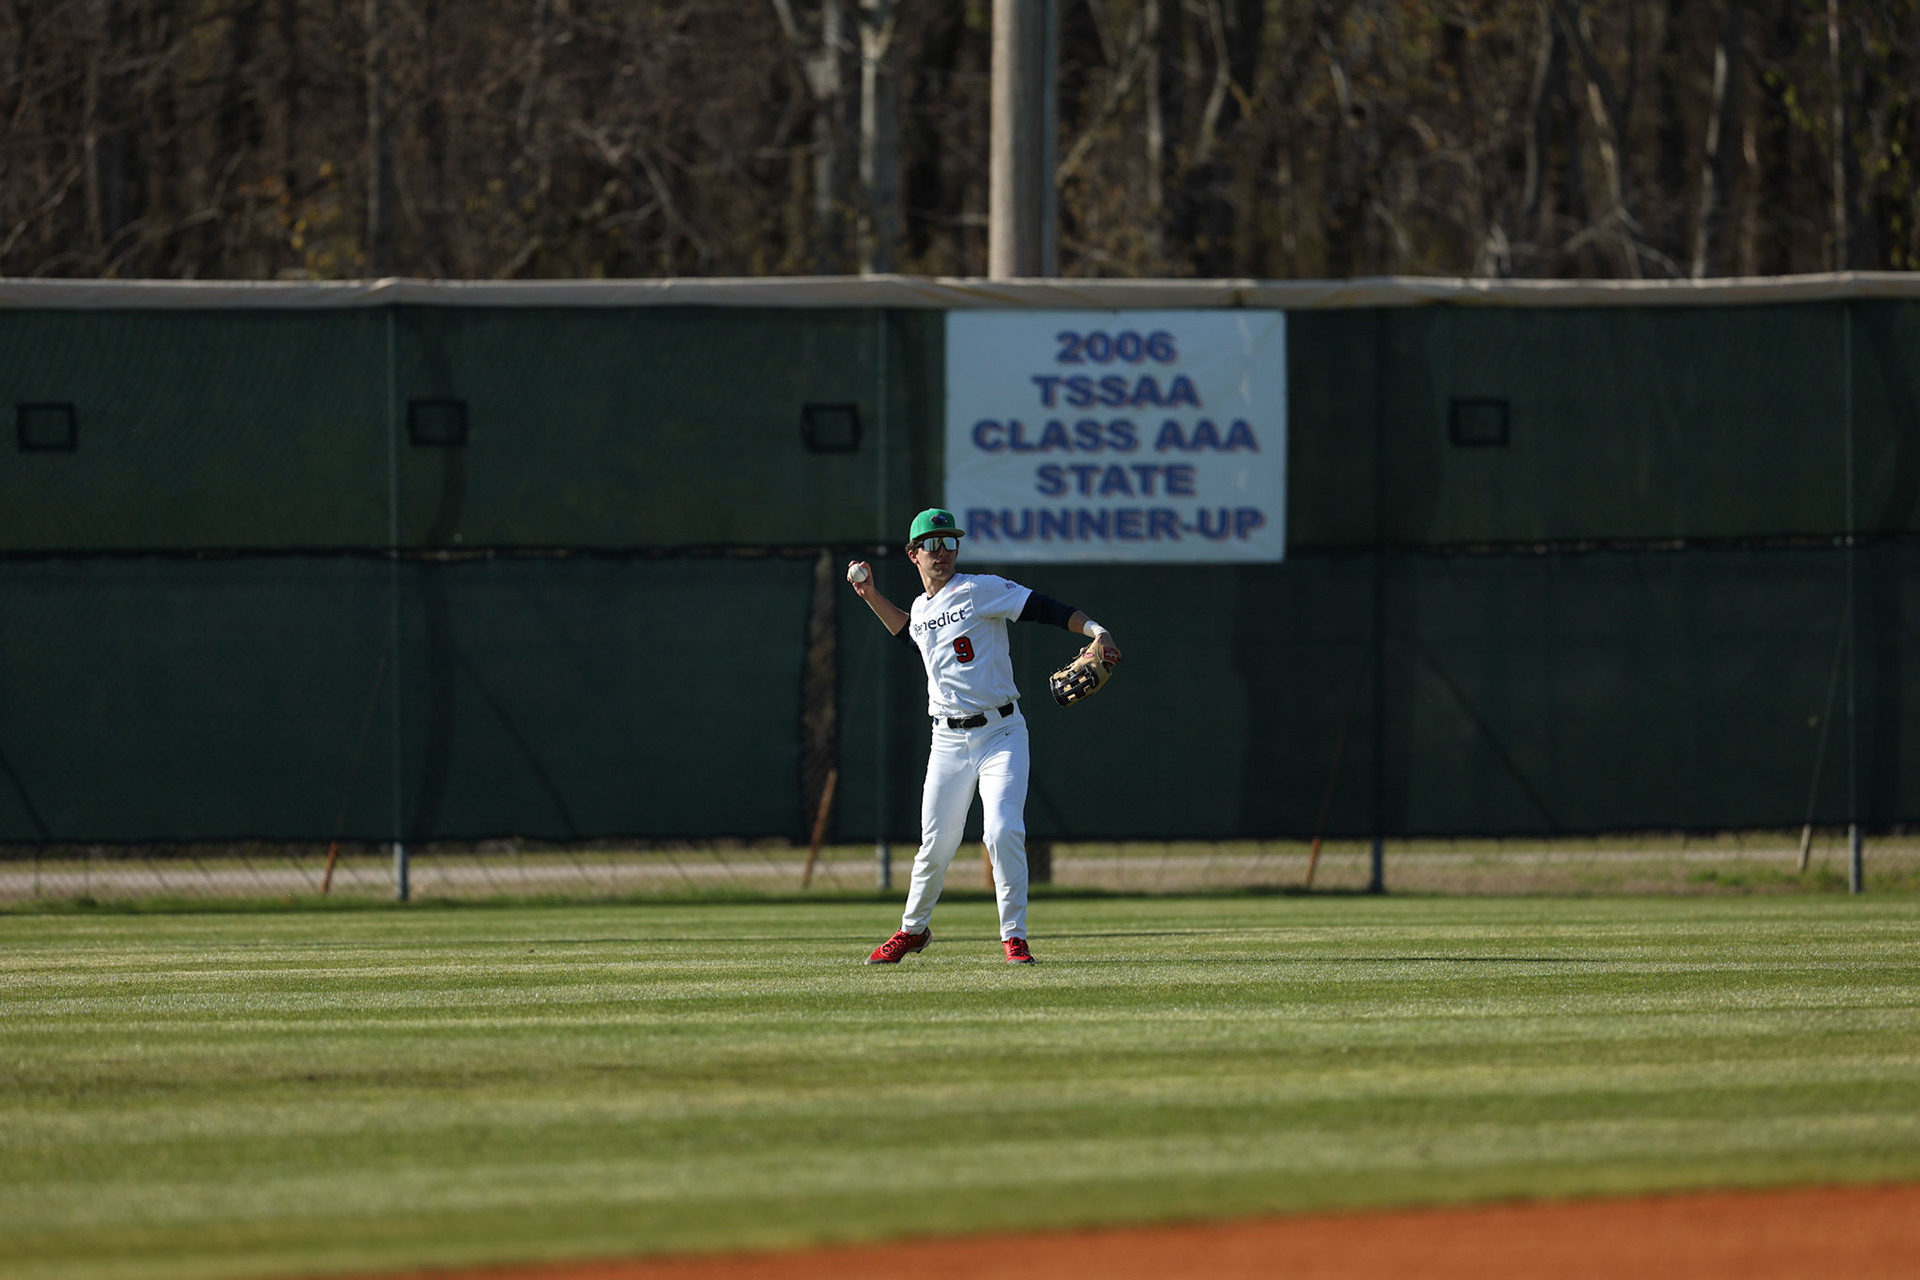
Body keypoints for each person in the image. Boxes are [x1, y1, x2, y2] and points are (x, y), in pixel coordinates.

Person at [846, 508, 1121, 965]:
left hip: (1001, 734)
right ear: (913, 555)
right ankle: (912, 930)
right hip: (948, 742)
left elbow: (1044, 607)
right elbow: (912, 636)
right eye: (932, 545)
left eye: (950, 542)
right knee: (936, 843)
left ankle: (1014, 935)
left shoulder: (979, 589)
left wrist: (1096, 629)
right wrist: (870, 594)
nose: (943, 552)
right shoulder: (921, 608)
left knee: (1002, 830)